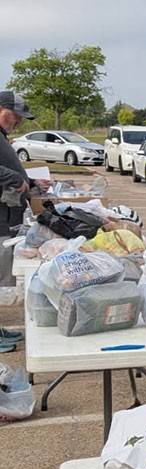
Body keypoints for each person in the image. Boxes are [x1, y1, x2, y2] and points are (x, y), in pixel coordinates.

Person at [0, 90, 38, 350]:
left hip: (7, 214)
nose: (18, 122)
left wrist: (32, 182)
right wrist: (17, 181)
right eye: (15, 116)